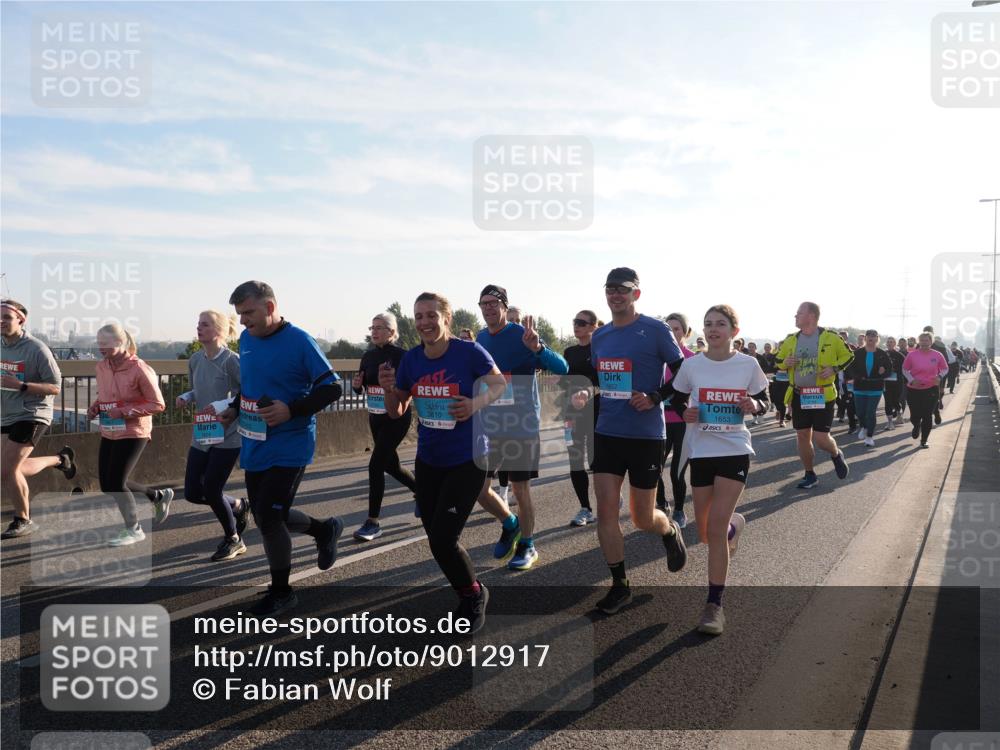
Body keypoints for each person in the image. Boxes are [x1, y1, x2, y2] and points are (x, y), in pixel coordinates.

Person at [379, 292, 507, 633]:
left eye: (431, 315)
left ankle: (473, 595)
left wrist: (474, 404)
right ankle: (465, 590)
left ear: (445, 318)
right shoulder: (412, 361)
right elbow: (396, 411)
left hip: (468, 458)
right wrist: (390, 389)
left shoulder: (468, 352)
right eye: (418, 316)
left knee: (442, 540)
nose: (424, 322)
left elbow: (498, 384)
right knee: (435, 535)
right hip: (429, 460)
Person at [218, 281, 344, 616]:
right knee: (264, 513)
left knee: (270, 517)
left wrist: (292, 408)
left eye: (248, 313)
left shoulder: (300, 341)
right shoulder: (246, 339)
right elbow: (251, 383)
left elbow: (332, 388)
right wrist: (233, 407)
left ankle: (282, 592)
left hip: (291, 443)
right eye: (239, 314)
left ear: (270, 307)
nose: (243, 321)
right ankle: (324, 529)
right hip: (255, 440)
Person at [668, 304, 770, 634]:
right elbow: (676, 399)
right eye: (708, 324)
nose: (713, 329)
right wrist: (686, 412)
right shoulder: (692, 365)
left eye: (720, 324)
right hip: (702, 451)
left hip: (734, 450)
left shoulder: (748, 364)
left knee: (714, 529)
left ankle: (715, 606)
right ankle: (732, 528)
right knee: (706, 531)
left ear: (733, 332)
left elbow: (765, 401)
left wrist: (753, 405)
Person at [590, 268, 686, 615]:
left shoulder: (656, 329)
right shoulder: (599, 336)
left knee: (642, 518)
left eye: (622, 290)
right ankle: (620, 585)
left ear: (636, 294)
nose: (615, 295)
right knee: (605, 510)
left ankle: (668, 528)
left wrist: (655, 396)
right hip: (607, 433)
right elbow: (600, 379)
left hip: (646, 435)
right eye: (610, 289)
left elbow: (683, 374)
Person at [473, 284, 569, 571]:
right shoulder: (480, 338)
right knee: (477, 488)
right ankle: (509, 522)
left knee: (520, 489)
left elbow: (562, 368)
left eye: (494, 303)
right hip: (490, 425)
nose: (488, 308)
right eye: (483, 304)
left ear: (505, 306)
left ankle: (528, 544)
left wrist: (538, 348)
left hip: (521, 424)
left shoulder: (521, 335)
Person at [175, 311, 249, 561]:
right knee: (193, 492)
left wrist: (221, 406)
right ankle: (238, 505)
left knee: (212, 488)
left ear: (218, 331)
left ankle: (233, 539)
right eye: (198, 324)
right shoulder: (196, 359)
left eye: (204, 325)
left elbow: (246, 392)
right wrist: (187, 396)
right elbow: (200, 388)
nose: (199, 328)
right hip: (204, 431)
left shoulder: (232, 360)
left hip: (229, 433)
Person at [86, 322, 167, 546]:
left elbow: (158, 404)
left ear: (121, 342)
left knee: (117, 483)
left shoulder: (139, 368)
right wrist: (96, 406)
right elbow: (106, 395)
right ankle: (156, 495)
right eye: (99, 343)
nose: (101, 348)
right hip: (110, 428)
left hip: (134, 430)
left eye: (106, 344)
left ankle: (134, 529)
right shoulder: (101, 366)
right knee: (107, 484)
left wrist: (123, 411)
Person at [1, 299, 76, 539]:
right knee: (11, 468)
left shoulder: (36, 348)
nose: (1, 321)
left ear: (21, 320)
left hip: (33, 413)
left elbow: (55, 387)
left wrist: (21, 385)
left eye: (6, 317)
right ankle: (59, 459)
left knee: (9, 468)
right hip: (6, 413)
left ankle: (23, 519)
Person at [350, 311, 418, 541]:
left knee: (375, 466)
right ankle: (423, 492)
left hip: (397, 418)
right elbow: (360, 387)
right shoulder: (367, 357)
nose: (374, 332)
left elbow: (409, 385)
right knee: (392, 466)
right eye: (372, 328)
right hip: (375, 417)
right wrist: (357, 385)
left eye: (379, 327)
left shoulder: (402, 356)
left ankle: (373, 522)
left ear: (391, 331)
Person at [775, 302, 853, 489]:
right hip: (799, 394)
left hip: (822, 394)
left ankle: (835, 454)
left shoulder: (831, 337)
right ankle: (810, 474)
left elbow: (849, 356)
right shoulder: (791, 339)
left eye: (799, 313)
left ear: (811, 315)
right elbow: (778, 361)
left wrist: (834, 368)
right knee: (802, 435)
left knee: (821, 438)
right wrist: (785, 362)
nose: (795, 316)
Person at [561, 310, 601, 527]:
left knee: (596, 462)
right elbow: (564, 382)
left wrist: (587, 392)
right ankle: (585, 508)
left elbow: (603, 381)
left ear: (593, 326)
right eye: (575, 322)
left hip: (596, 412)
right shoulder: (569, 352)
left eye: (582, 323)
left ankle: (607, 499)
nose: (576, 326)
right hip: (571, 413)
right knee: (575, 461)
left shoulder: (601, 351)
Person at [656, 312, 695, 527]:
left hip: (683, 424)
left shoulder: (692, 359)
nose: (671, 333)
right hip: (658, 423)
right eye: (668, 329)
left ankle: (679, 510)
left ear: (686, 333)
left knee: (677, 471)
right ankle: (662, 504)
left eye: (676, 329)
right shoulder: (656, 357)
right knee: (654, 469)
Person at [845, 330, 892, 447]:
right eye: (869, 336)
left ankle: (870, 436)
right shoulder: (857, 353)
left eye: (874, 336)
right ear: (865, 338)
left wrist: (884, 372)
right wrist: (856, 377)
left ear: (877, 339)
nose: (871, 338)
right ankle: (864, 427)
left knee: (870, 412)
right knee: (860, 412)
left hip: (875, 387)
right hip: (860, 386)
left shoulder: (882, 354)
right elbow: (850, 368)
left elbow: (889, 369)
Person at [903, 333, 948, 449]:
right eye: (922, 340)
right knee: (915, 415)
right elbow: (904, 369)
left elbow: (945, 368)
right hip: (914, 389)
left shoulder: (937, 355)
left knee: (927, 415)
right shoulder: (912, 355)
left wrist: (939, 377)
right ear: (919, 342)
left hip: (931, 389)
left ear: (931, 342)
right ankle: (916, 425)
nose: (924, 342)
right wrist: (911, 380)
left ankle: (924, 440)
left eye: (926, 340)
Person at [883, 337, 905, 430]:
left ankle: (899, 413)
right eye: (888, 342)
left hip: (897, 382)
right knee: (887, 401)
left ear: (895, 344)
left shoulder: (899, 355)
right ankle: (890, 422)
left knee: (895, 400)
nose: (889, 343)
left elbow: (905, 368)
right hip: (886, 382)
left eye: (891, 342)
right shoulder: (882, 354)